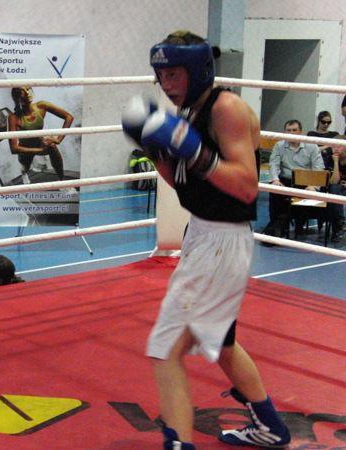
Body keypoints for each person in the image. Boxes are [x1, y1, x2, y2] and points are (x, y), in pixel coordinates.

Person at [122, 30, 290, 449]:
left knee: (165, 348)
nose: (166, 84)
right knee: (224, 343)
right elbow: (185, 184)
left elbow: (247, 187)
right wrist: (157, 149)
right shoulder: (189, 112)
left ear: (198, 70)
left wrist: (196, 153)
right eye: (161, 75)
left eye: (174, 74)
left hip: (222, 240)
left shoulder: (225, 108)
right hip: (202, 233)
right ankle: (270, 427)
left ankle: (179, 443)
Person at [265, 119, 325, 237]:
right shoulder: (279, 145)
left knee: (302, 200)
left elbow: (318, 167)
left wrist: (314, 186)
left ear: (301, 131)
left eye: (294, 130)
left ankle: (292, 226)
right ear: (284, 132)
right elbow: (274, 164)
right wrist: (275, 180)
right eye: (289, 130)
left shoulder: (312, 146)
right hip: (285, 181)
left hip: (305, 182)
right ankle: (276, 226)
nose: (291, 133)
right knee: (275, 193)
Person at [7, 86, 74, 189]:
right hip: (25, 148)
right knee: (25, 168)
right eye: (22, 92)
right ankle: (24, 173)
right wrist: (40, 151)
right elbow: (14, 148)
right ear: (17, 97)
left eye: (28, 89)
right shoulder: (13, 117)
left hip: (39, 142)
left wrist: (59, 139)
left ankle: (62, 182)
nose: (27, 93)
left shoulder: (41, 106)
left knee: (52, 146)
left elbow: (69, 117)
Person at [326, 143, 346, 241]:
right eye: (334, 147)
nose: (336, 149)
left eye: (339, 146)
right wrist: (336, 163)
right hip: (339, 189)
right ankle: (340, 223)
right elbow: (334, 181)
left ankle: (339, 224)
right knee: (334, 189)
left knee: (334, 194)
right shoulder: (330, 159)